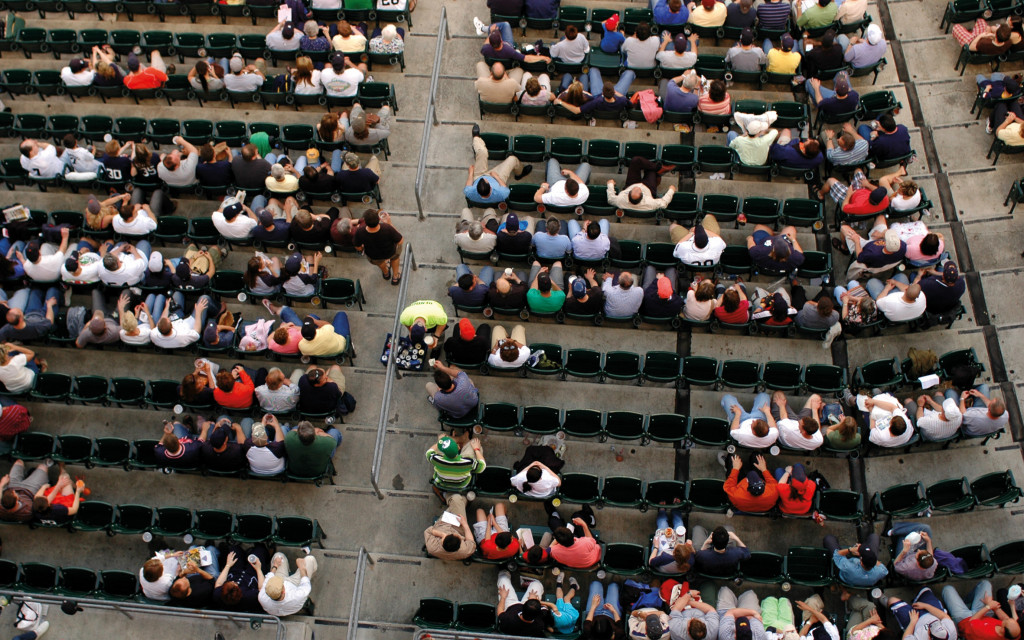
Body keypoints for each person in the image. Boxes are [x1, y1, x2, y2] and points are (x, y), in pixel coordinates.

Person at [466, 125, 532, 205]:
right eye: (486, 181)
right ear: (490, 188)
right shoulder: (501, 194)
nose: (484, 179)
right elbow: (504, 187)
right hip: (496, 178)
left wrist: (470, 174)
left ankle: (476, 138)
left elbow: (468, 185)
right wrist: (496, 177)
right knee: (512, 159)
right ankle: (519, 173)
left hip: (478, 176)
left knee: (482, 152)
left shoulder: (469, 193)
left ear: (476, 188)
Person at [943, 581, 1021, 640]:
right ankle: (965, 602)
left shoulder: (986, 635)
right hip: (985, 614)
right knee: (985, 583)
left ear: (1003, 630)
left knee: (947, 589)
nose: (1007, 619)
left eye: (1007, 621)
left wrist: (988, 606)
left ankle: (961, 605)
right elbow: (1006, 619)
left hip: (965, 619)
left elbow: (972, 621)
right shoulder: (1014, 635)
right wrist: (994, 607)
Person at [213, 544, 271, 612]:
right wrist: (258, 569)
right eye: (234, 584)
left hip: (236, 572)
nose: (233, 582)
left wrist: (228, 565)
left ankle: (244, 554)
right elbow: (261, 589)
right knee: (259, 550)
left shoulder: (219, 595)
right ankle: (267, 553)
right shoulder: (249, 597)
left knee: (234, 550)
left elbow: (218, 584)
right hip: (252, 575)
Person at [257, 551, 317, 616]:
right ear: (283, 591)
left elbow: (267, 579)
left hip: (278, 609)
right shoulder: (297, 595)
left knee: (279, 556)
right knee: (310, 559)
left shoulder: (262, 598)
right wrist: (302, 568)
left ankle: (287, 571)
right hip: (295, 585)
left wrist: (275, 566)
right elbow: (306, 582)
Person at [354, 209, 404, 285]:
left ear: (365, 221)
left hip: (374, 255)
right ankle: (395, 277)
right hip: (390, 251)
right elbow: (400, 241)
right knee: (395, 258)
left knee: (380, 263)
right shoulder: (387, 228)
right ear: (379, 219)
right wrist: (389, 223)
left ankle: (386, 274)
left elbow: (358, 247)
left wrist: (363, 248)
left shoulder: (360, 231)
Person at [607, 156, 676, 211]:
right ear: (642, 195)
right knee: (652, 171)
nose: (638, 188)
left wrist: (610, 184)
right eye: (638, 191)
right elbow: (663, 203)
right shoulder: (649, 203)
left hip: (631, 185)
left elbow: (610, 199)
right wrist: (671, 190)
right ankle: (658, 170)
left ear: (628, 194)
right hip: (648, 189)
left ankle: (659, 168)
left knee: (635, 160)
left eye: (634, 190)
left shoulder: (620, 200)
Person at [547, 502, 601, 568]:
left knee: (553, 522)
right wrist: (583, 524)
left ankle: (554, 515)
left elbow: (548, 550)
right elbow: (591, 540)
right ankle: (591, 520)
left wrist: (557, 538)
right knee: (576, 516)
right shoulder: (585, 543)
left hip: (586, 553)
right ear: (573, 535)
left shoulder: (555, 551)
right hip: (590, 549)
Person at [496, 570, 549, 636]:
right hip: (524, 607)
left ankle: (505, 571)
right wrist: (533, 600)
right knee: (537, 584)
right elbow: (545, 607)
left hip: (510, 606)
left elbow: (500, 611)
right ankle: (526, 584)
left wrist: (503, 597)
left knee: (503, 579)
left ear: (522, 608)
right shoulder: (539, 624)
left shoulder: (509, 619)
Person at [424, 493, 475, 560]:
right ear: (460, 544)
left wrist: (442, 534)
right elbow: (471, 541)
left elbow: (428, 531)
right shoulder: (465, 551)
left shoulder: (432, 547)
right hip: (459, 530)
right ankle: (462, 499)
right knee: (457, 499)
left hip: (443, 524)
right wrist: (465, 524)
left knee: (456, 500)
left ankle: (446, 495)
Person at [649, 509, 693, 575]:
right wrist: (690, 546)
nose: (676, 544)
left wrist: (656, 547)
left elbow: (651, 562)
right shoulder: (690, 560)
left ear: (673, 552)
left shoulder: (665, 557)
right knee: (680, 525)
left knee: (662, 524)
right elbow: (693, 552)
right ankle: (675, 509)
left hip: (662, 563)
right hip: (672, 562)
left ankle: (662, 511)